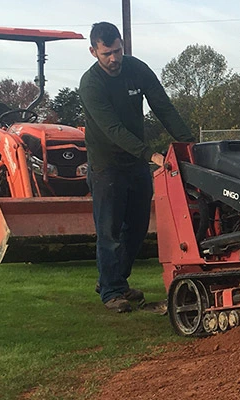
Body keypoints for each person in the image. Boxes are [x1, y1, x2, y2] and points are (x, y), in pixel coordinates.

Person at [79, 22, 195, 313]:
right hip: (106, 165)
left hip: (135, 164)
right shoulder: (90, 84)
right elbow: (112, 130)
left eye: (118, 51)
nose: (114, 59)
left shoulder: (137, 69)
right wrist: (151, 155)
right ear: (93, 51)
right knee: (109, 230)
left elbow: (163, 106)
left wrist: (188, 144)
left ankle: (113, 279)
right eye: (107, 54)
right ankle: (111, 292)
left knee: (138, 228)